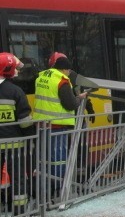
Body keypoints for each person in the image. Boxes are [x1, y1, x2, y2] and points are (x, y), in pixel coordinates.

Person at [33, 53, 88, 198]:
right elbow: (70, 104)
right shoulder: (62, 80)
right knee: (58, 159)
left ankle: (44, 191)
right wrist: (79, 98)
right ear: (65, 69)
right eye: (68, 71)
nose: (69, 73)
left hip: (41, 124)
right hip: (57, 125)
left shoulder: (42, 76)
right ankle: (59, 190)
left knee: (44, 159)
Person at [0, 53, 34, 217]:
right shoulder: (15, 91)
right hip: (15, 143)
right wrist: (31, 137)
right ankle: (18, 215)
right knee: (18, 177)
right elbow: (25, 121)